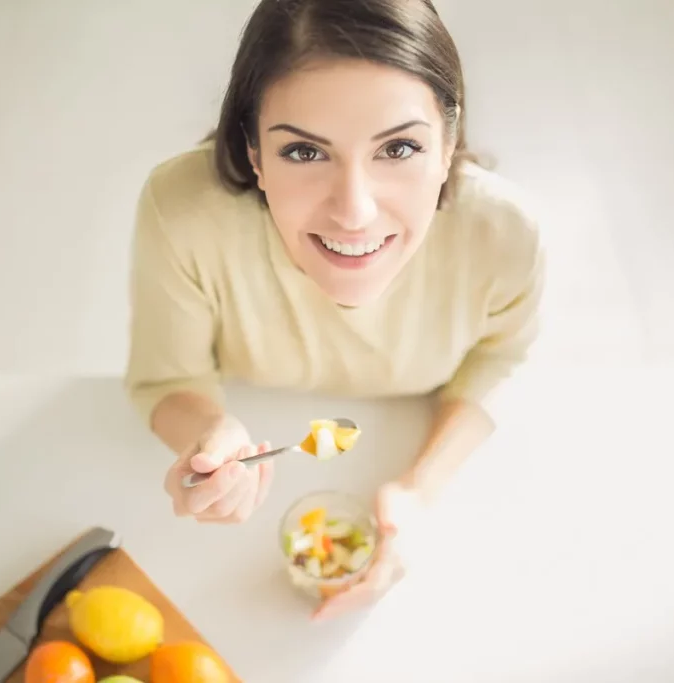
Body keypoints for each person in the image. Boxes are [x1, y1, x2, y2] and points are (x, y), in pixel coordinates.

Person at [124, 0, 545, 620]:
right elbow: (166, 376)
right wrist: (206, 436)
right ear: (255, 153)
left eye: (398, 149)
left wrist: (417, 491)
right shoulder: (182, 212)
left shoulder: (504, 233)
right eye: (304, 153)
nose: (354, 212)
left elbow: (502, 358)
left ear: (450, 144)